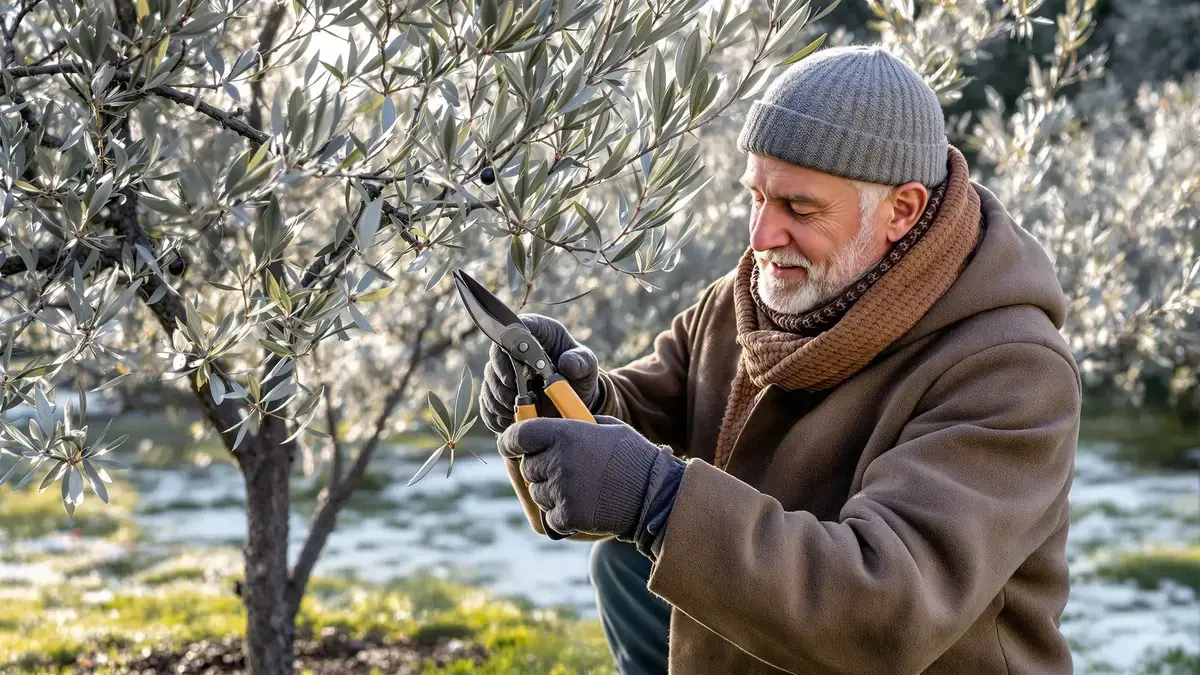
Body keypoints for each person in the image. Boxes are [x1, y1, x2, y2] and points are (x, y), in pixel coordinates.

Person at [480, 45, 1081, 675]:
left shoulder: (1010, 370)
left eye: (799, 208)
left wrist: (656, 500)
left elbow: (887, 607)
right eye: (756, 197)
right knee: (629, 566)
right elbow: (656, 408)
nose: (762, 236)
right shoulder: (752, 301)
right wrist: (569, 398)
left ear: (900, 211)